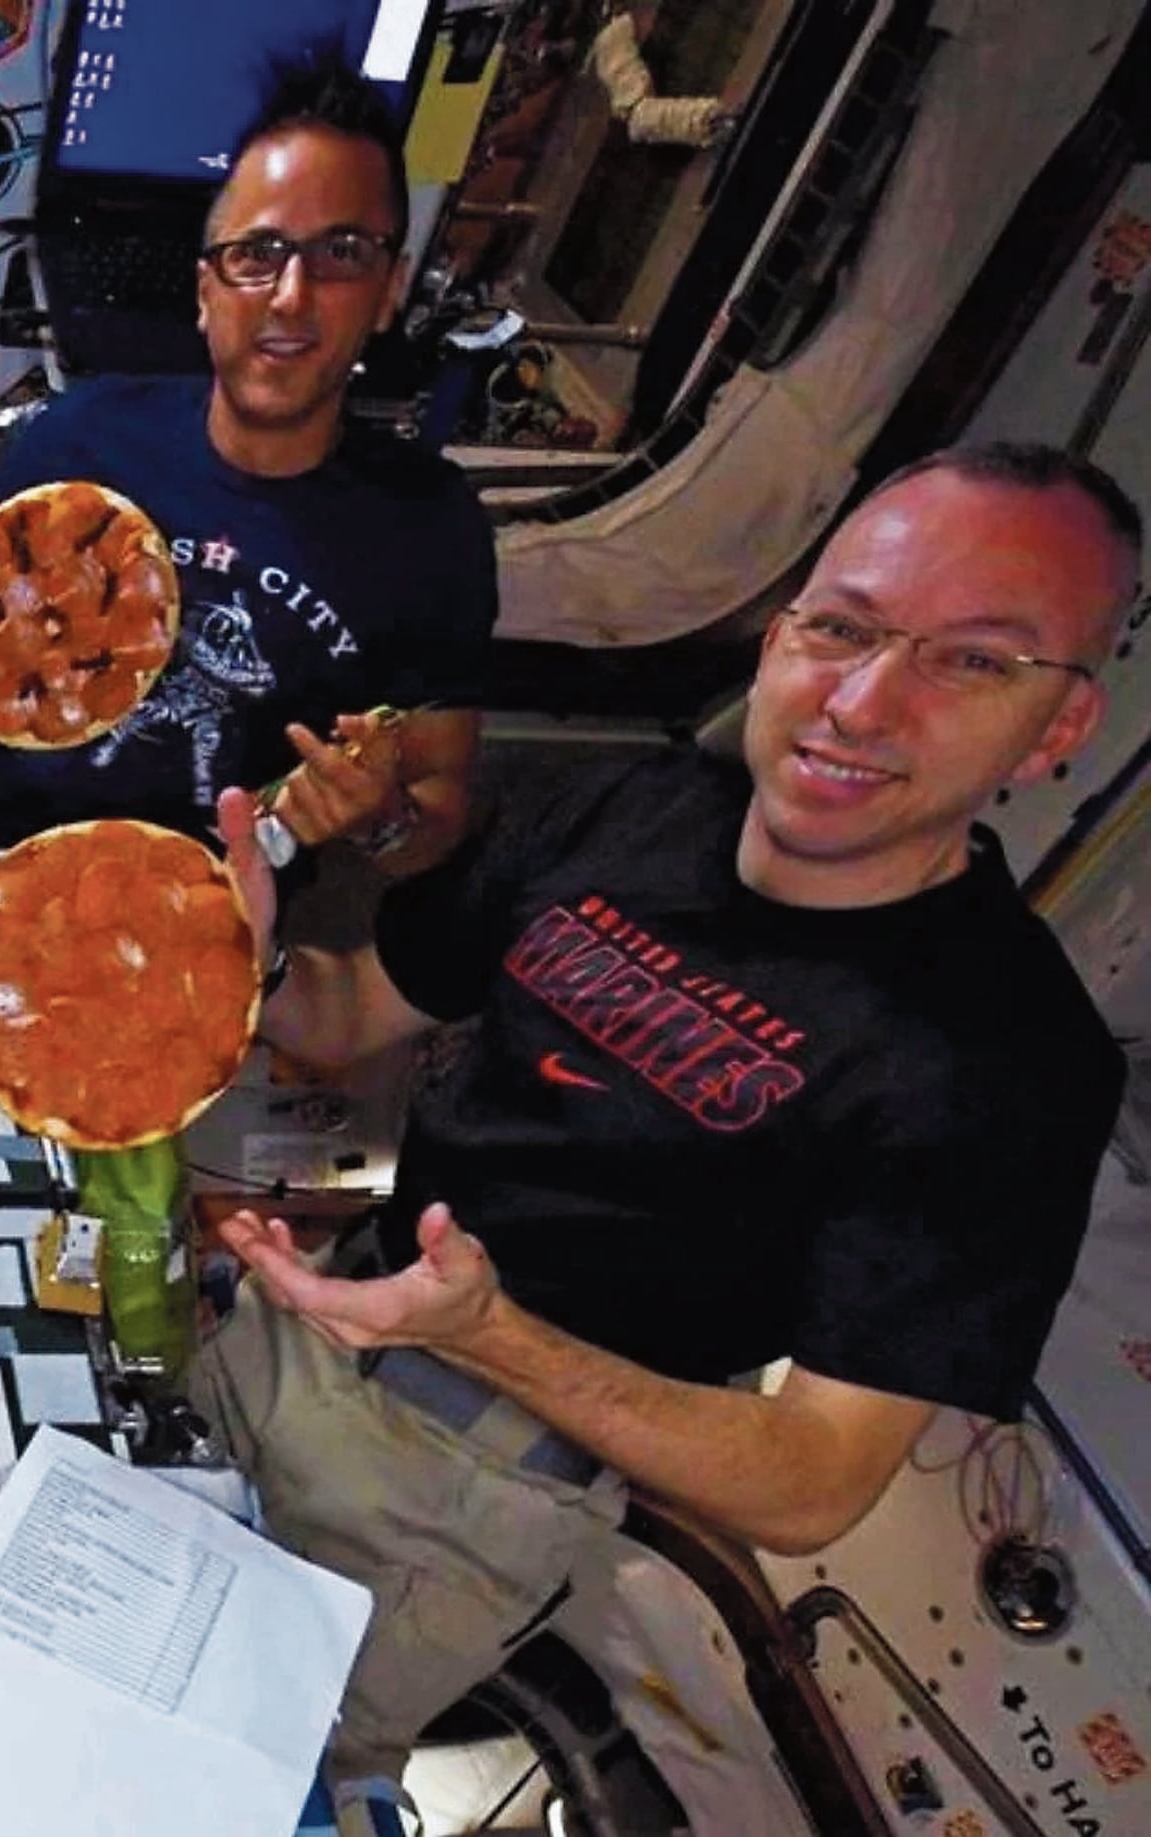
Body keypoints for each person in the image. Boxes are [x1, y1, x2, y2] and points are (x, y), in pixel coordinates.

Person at [194, 442, 1136, 1836]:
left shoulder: (1008, 1061)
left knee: (207, 1778)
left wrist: (481, 1329)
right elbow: (347, 1019)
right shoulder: (632, 806)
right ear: (781, 635)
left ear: (1058, 728)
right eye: (845, 627)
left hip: (472, 1496)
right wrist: (243, 956)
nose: (864, 702)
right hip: (287, 1324)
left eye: (972, 662)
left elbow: (811, 1480)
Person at [0, 52, 494, 860]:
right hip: (17, 867)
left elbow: (437, 812)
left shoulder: (429, 529)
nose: (291, 295)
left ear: (389, 292)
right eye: (257, 253)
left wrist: (376, 817)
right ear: (206, 290)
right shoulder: (82, 435)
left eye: (341, 252)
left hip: (234, 913)